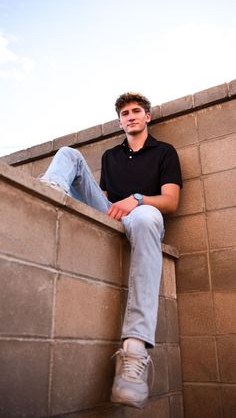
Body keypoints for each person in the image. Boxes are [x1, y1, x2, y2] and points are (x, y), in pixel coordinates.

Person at [39, 92, 182, 409]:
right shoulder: (109, 156)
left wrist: (138, 199)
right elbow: (102, 199)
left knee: (147, 218)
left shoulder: (165, 152)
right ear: (120, 122)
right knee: (69, 154)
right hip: (112, 215)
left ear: (147, 116)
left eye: (136, 111)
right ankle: (47, 193)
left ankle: (135, 348)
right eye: (125, 114)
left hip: (142, 215)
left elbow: (171, 201)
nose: (130, 117)